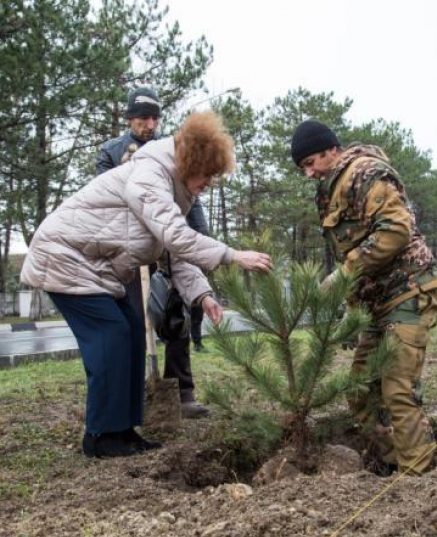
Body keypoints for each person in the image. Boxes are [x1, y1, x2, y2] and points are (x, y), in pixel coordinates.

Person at [22, 112, 272, 458]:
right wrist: (231, 254)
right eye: (208, 174)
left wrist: (202, 295)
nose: (210, 182)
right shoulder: (150, 174)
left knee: (135, 333)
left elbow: (175, 253)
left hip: (99, 269)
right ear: (191, 162)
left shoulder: (177, 189)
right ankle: (100, 436)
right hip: (64, 257)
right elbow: (176, 235)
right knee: (111, 336)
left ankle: (123, 430)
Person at [290, 120, 437, 475]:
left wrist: (344, 275)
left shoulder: (366, 173)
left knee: (398, 390)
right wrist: (352, 309)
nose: (308, 173)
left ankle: (417, 478)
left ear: (331, 150)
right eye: (302, 168)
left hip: (408, 290)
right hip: (375, 302)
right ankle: (391, 462)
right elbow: (355, 247)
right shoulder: (330, 188)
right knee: (360, 390)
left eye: (311, 162)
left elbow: (395, 229)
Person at [96, 87, 211, 419]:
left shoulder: (173, 151)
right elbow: (108, 195)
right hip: (130, 247)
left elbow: (193, 197)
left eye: (155, 118)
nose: (150, 124)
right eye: (143, 118)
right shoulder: (112, 152)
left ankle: (183, 391)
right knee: (132, 321)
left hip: (170, 243)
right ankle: (134, 394)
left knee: (179, 317)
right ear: (130, 118)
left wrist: (200, 238)